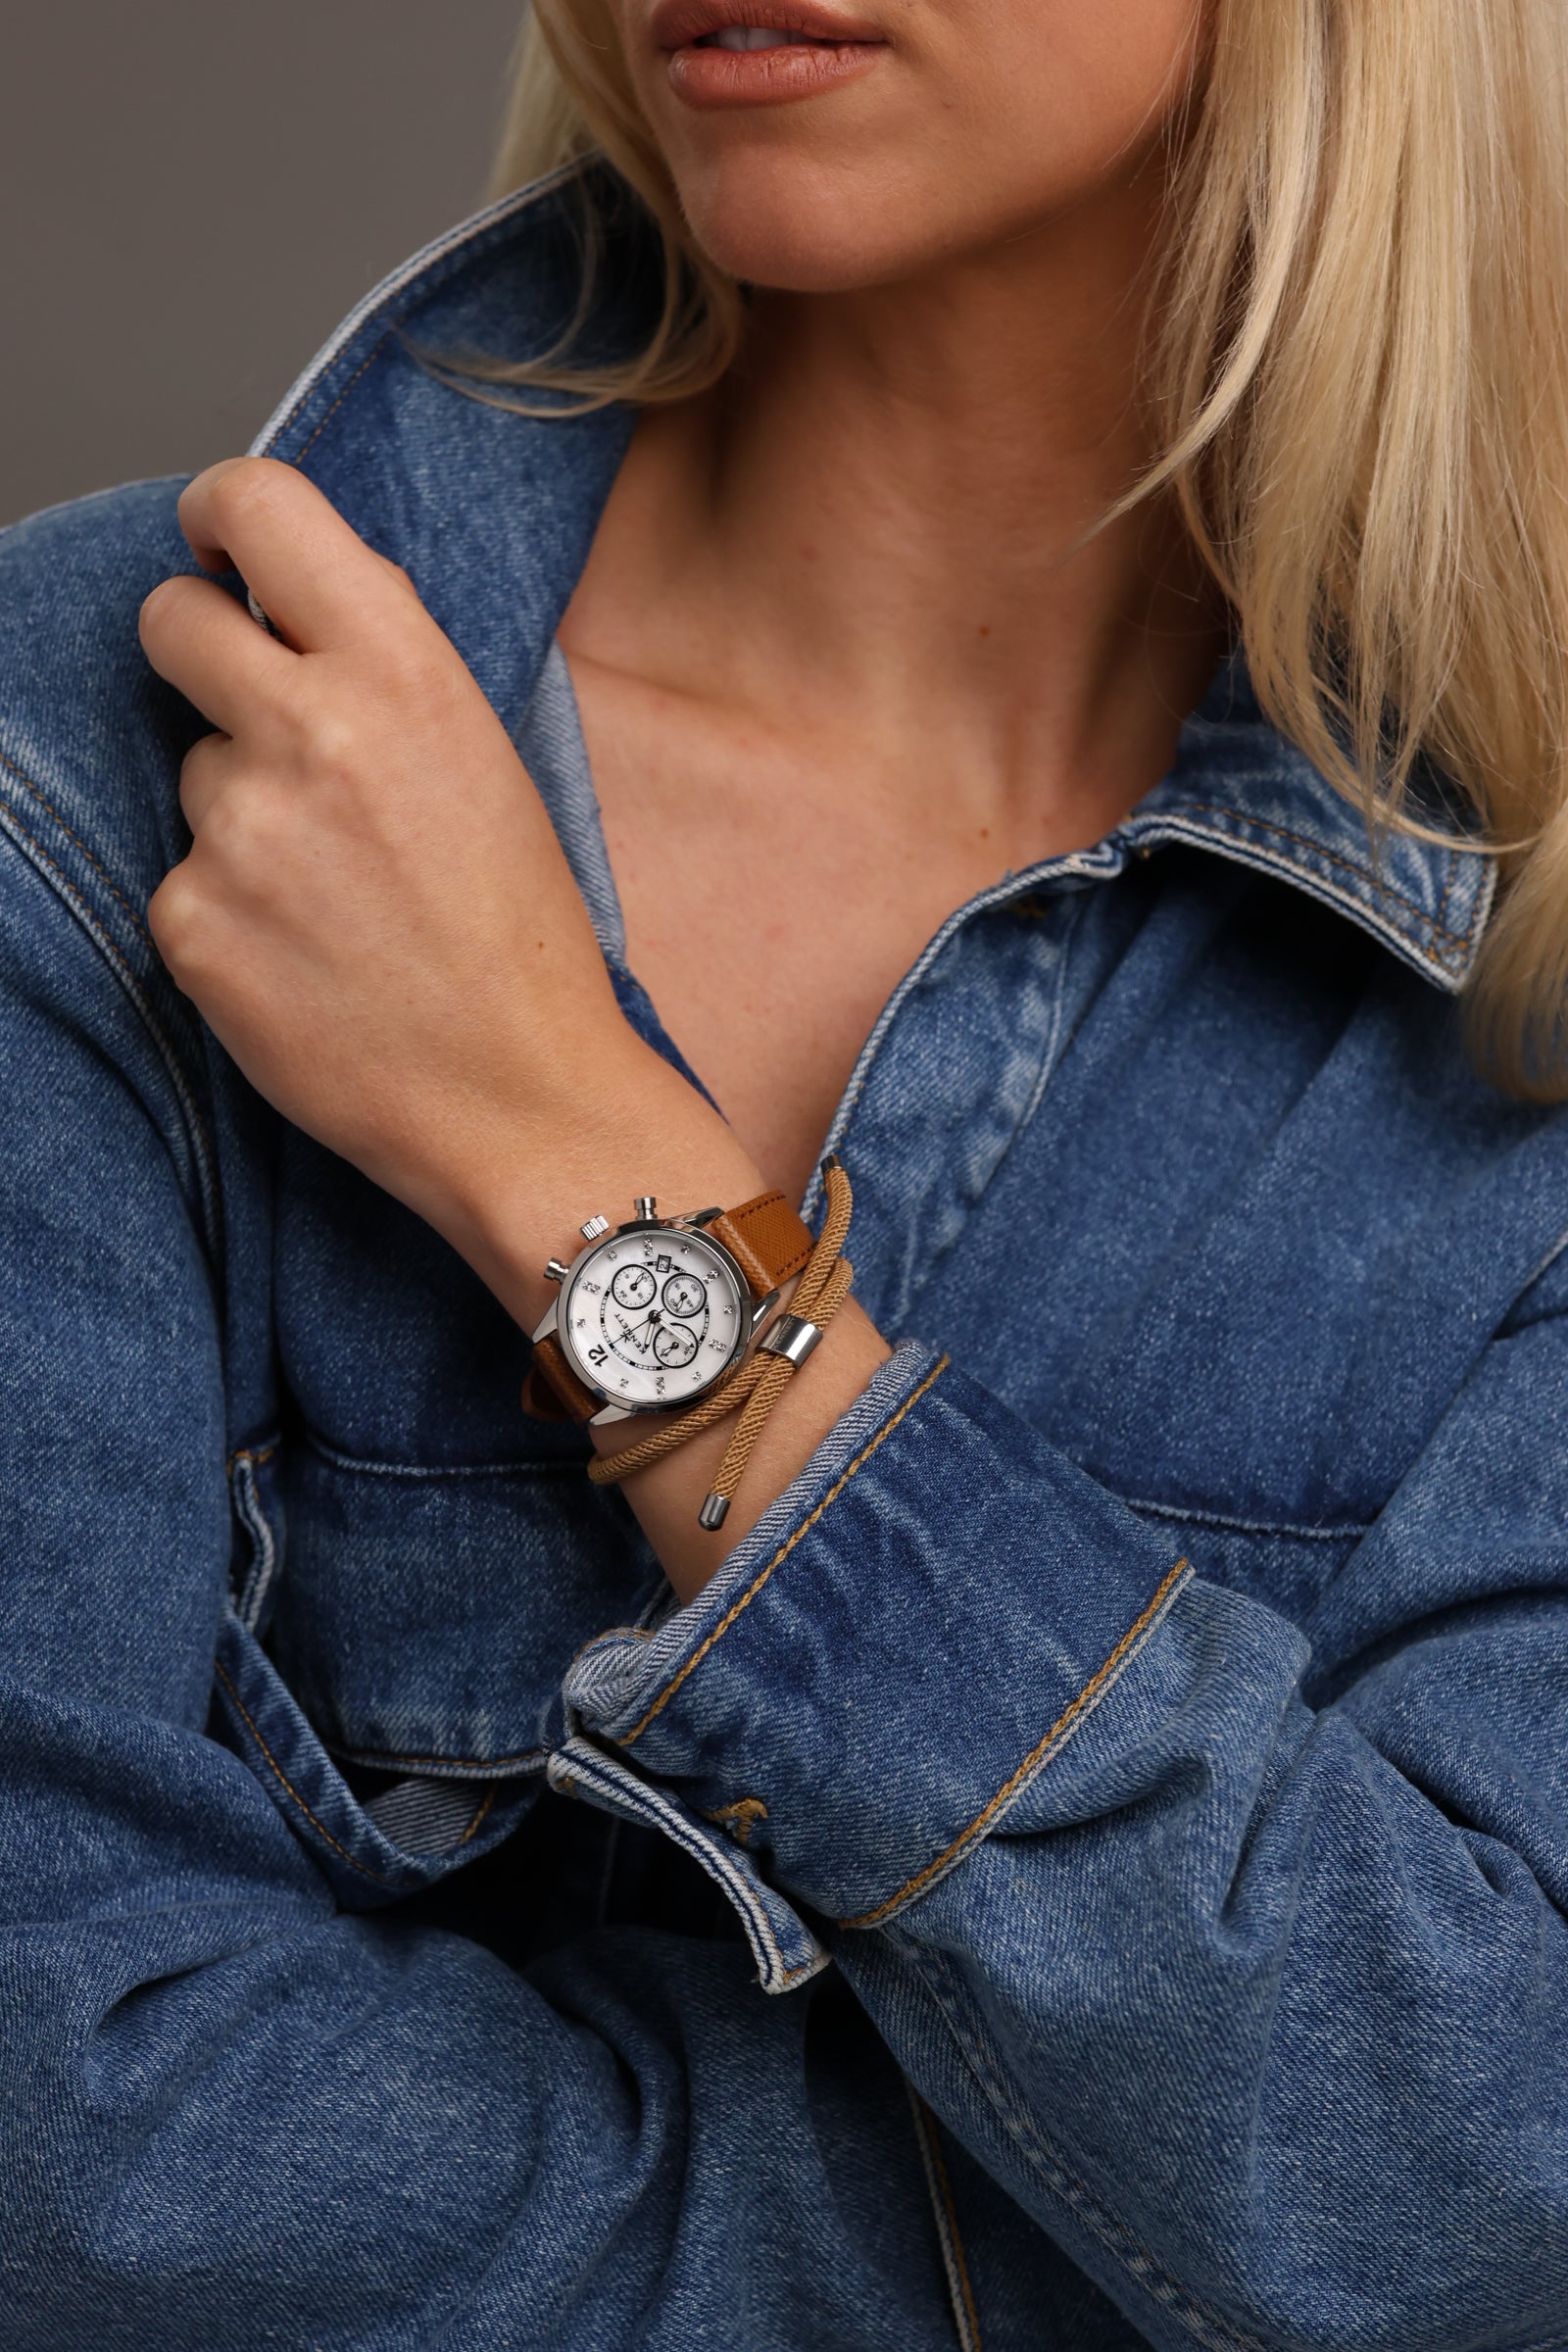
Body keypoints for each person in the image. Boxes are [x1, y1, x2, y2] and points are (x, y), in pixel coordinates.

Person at [3, 0, 1568, 2343]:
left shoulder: (1536, 929)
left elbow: (1481, 2169)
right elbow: (67, 2173)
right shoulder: (92, 773)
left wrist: (575, 1159)